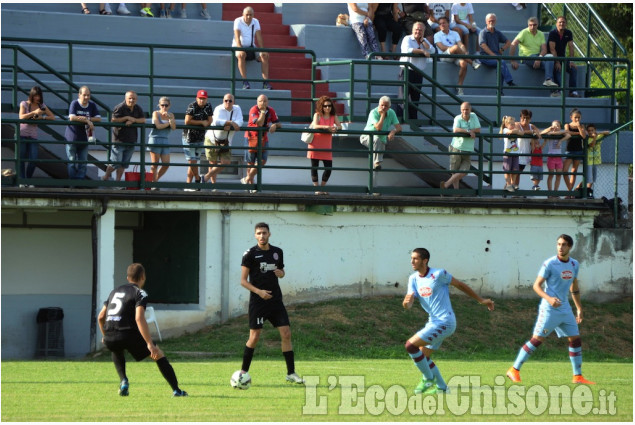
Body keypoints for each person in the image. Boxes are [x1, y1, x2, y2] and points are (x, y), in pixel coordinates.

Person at [403, 247, 494, 394]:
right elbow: (408, 303)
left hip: (445, 322)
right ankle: (442, 388)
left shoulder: (439, 274)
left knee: (410, 346)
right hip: (433, 322)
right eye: (411, 258)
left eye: (415, 258)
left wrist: (481, 300)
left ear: (425, 261)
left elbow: (460, 285)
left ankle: (428, 378)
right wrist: (407, 303)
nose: (412, 261)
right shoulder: (413, 279)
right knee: (423, 356)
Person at [507, 234, 595, 385]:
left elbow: (574, 288)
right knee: (537, 340)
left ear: (570, 247)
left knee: (575, 339)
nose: (561, 247)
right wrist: (549, 299)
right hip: (549, 309)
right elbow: (536, 286)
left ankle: (577, 376)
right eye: (559, 244)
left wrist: (579, 308)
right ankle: (514, 370)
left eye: (564, 245)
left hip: (565, 309)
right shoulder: (550, 264)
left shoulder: (574, 264)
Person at [98, 263, 188, 397]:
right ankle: (177, 390)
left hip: (111, 334)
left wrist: (105, 336)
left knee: (116, 347)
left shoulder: (114, 291)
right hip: (128, 333)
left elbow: (101, 317)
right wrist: (150, 344)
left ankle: (123, 380)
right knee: (159, 355)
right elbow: (139, 318)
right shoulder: (140, 293)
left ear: (128, 277)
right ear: (143, 277)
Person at [239, 222, 305, 385]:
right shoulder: (250, 254)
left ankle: (291, 373)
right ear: (255, 235)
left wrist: (281, 273)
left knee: (286, 333)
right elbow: (243, 281)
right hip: (258, 302)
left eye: (264, 233)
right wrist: (259, 292)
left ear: (270, 234)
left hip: (276, 301)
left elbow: (281, 272)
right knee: (254, 337)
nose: (262, 236)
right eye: (259, 233)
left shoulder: (277, 252)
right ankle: (243, 372)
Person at [102, 91, 145, 182]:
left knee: (124, 164)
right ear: (125, 98)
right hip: (119, 140)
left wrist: (133, 120)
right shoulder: (120, 107)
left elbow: (143, 119)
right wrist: (126, 118)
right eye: (130, 98)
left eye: (133, 98)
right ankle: (106, 176)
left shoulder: (138, 108)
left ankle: (118, 182)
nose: (131, 100)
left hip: (131, 140)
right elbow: (113, 120)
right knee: (115, 162)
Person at [204, 93, 244, 185]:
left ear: (233, 102)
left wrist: (230, 125)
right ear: (223, 101)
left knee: (226, 162)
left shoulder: (237, 108)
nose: (228, 102)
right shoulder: (218, 108)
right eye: (226, 100)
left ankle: (206, 176)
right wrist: (229, 123)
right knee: (212, 163)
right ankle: (213, 186)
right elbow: (216, 121)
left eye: (230, 101)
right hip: (212, 139)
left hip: (226, 141)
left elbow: (240, 122)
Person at [18, 86, 55, 185]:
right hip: (22, 134)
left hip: (33, 135)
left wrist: (41, 117)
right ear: (31, 95)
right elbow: (21, 117)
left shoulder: (41, 105)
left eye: (38, 96)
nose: (37, 98)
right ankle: (22, 181)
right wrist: (34, 113)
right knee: (21, 158)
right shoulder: (24, 103)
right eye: (35, 96)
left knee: (33, 159)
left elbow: (52, 117)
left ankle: (28, 180)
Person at [434, 16, 480, 96]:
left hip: (456, 55)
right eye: (440, 24)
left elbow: (460, 44)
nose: (442, 25)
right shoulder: (437, 35)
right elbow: (442, 47)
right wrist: (455, 49)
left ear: (448, 24)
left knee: (464, 64)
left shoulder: (455, 33)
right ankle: (472, 63)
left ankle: (459, 87)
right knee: (455, 48)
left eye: (444, 23)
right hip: (444, 56)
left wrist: (464, 51)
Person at [242, 94, 281, 187]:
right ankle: (251, 186)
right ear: (257, 102)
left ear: (268, 102)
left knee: (262, 160)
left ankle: (247, 179)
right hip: (251, 138)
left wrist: (275, 125)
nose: (263, 103)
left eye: (265, 101)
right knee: (250, 162)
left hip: (263, 139)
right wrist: (263, 112)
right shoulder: (254, 109)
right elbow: (259, 123)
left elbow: (279, 123)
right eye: (260, 101)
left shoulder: (271, 110)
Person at [440, 102, 480, 190]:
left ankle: (446, 184)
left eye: (467, 109)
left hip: (467, 148)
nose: (465, 111)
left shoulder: (473, 116)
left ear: (470, 109)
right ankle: (456, 192)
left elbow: (478, 129)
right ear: (460, 110)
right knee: (455, 171)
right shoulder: (457, 118)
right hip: (456, 147)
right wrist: (469, 131)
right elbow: (456, 129)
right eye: (463, 110)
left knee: (464, 171)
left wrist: (470, 131)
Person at [65, 86, 102, 181]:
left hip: (84, 138)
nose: (86, 97)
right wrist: (87, 120)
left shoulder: (92, 105)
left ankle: (79, 182)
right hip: (72, 137)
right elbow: (72, 117)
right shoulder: (74, 103)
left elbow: (98, 118)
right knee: (71, 161)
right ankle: (73, 183)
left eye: (88, 95)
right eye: (84, 95)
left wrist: (86, 119)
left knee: (83, 162)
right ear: (79, 95)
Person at [509, 17, 558, 88]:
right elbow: (513, 44)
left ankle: (548, 80)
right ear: (528, 25)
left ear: (538, 25)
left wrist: (539, 58)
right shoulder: (524, 32)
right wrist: (512, 60)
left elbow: (544, 49)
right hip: (527, 57)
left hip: (538, 57)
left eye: (534, 25)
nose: (532, 27)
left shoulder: (541, 34)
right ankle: (553, 89)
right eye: (530, 25)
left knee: (550, 56)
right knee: (549, 67)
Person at [307, 95, 341, 194]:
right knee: (314, 167)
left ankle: (322, 187)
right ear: (321, 106)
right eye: (325, 106)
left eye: (329, 106)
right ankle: (317, 189)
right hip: (315, 144)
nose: (327, 108)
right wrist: (327, 127)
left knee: (328, 168)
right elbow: (315, 126)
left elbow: (340, 126)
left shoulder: (333, 116)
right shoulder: (317, 115)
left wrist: (336, 128)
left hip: (327, 145)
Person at [233, 6, 272, 90]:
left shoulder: (256, 21)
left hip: (252, 47)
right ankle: (245, 82)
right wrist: (240, 49)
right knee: (241, 55)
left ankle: (265, 82)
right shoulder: (237, 21)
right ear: (243, 14)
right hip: (239, 46)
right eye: (247, 15)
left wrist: (262, 50)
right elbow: (237, 37)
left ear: (253, 15)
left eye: (250, 15)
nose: (248, 17)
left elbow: (259, 37)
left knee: (265, 56)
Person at [399, 21, 433, 120]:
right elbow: (407, 50)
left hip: (418, 72)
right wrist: (422, 51)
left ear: (424, 32)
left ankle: (413, 120)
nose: (418, 31)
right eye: (416, 29)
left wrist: (424, 43)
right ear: (412, 30)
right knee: (403, 96)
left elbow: (432, 51)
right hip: (406, 71)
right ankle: (402, 119)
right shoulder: (407, 38)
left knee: (415, 98)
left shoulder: (424, 40)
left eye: (420, 30)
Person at [360, 96, 402, 170]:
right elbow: (378, 128)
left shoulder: (391, 112)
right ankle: (377, 163)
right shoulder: (373, 112)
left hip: (381, 139)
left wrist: (393, 131)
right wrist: (382, 115)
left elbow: (399, 127)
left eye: (386, 106)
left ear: (389, 107)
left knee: (379, 141)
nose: (383, 107)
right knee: (376, 139)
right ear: (378, 105)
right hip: (367, 137)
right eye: (382, 105)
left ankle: (376, 166)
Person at [182, 89, 213, 191]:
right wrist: (201, 122)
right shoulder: (192, 106)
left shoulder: (208, 106)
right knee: (192, 161)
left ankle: (188, 185)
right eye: (200, 98)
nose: (202, 101)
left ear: (206, 99)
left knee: (194, 161)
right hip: (189, 137)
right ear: (197, 98)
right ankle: (197, 179)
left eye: (203, 99)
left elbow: (210, 120)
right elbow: (187, 121)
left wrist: (206, 123)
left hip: (200, 137)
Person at [478, 14, 515, 92]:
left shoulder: (497, 32)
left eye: (493, 20)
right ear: (486, 22)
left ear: (496, 21)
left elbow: (508, 42)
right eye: (489, 20)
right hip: (485, 57)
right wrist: (494, 55)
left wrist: (502, 49)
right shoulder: (483, 32)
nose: (491, 22)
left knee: (500, 65)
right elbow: (483, 45)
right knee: (501, 62)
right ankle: (509, 81)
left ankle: (500, 91)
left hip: (495, 57)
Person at [147, 96, 175, 188]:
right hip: (155, 138)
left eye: (166, 105)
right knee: (155, 163)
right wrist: (169, 123)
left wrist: (171, 120)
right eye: (162, 105)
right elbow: (158, 126)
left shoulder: (171, 115)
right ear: (159, 105)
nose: (164, 107)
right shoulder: (155, 113)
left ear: (169, 105)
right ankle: (153, 184)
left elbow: (174, 128)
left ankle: (154, 181)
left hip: (165, 139)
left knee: (166, 163)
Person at [548, 16, 580, 98]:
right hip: (553, 58)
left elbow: (571, 47)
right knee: (558, 69)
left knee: (573, 69)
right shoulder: (552, 33)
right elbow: (552, 49)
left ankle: (573, 91)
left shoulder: (568, 33)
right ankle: (559, 91)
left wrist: (572, 61)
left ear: (566, 24)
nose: (561, 24)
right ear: (556, 24)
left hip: (563, 58)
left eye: (563, 22)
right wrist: (557, 62)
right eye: (560, 22)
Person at [540, 120, 570, 197]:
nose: (556, 127)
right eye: (554, 126)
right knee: (551, 174)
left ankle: (555, 192)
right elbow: (542, 133)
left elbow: (568, 135)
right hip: (551, 157)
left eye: (558, 126)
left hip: (559, 158)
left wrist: (560, 140)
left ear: (560, 127)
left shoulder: (561, 134)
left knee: (558, 175)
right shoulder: (550, 134)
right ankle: (550, 192)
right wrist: (550, 128)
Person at [563, 108, 587, 196]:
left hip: (578, 150)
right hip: (569, 150)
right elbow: (567, 132)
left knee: (574, 171)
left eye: (579, 117)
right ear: (571, 117)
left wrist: (579, 127)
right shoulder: (567, 125)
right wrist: (578, 134)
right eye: (575, 117)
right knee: (564, 171)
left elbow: (584, 136)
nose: (577, 119)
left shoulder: (581, 125)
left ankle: (569, 193)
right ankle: (570, 191)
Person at [515, 109, 540, 189]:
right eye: (523, 117)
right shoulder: (517, 124)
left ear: (530, 119)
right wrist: (531, 132)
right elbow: (520, 132)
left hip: (526, 154)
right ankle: (513, 190)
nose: (525, 120)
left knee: (518, 173)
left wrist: (535, 135)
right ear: (520, 118)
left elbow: (538, 133)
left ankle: (509, 190)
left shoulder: (531, 126)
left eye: (527, 118)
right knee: (515, 173)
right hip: (517, 153)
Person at [584, 124, 610, 199]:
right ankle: (586, 191)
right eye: (589, 131)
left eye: (592, 130)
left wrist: (597, 133)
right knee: (589, 178)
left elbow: (608, 132)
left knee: (592, 178)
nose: (591, 132)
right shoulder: (587, 138)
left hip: (595, 160)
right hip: (589, 160)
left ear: (595, 130)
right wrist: (594, 137)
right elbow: (591, 145)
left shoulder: (598, 135)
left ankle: (588, 191)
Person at [499, 115, 522, 192]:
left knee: (515, 169)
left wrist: (517, 131)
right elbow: (510, 132)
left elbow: (522, 133)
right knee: (507, 169)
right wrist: (517, 131)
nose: (513, 126)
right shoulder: (505, 130)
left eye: (513, 124)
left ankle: (513, 183)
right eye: (511, 124)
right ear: (506, 124)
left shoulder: (515, 130)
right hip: (508, 152)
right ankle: (508, 184)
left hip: (516, 152)